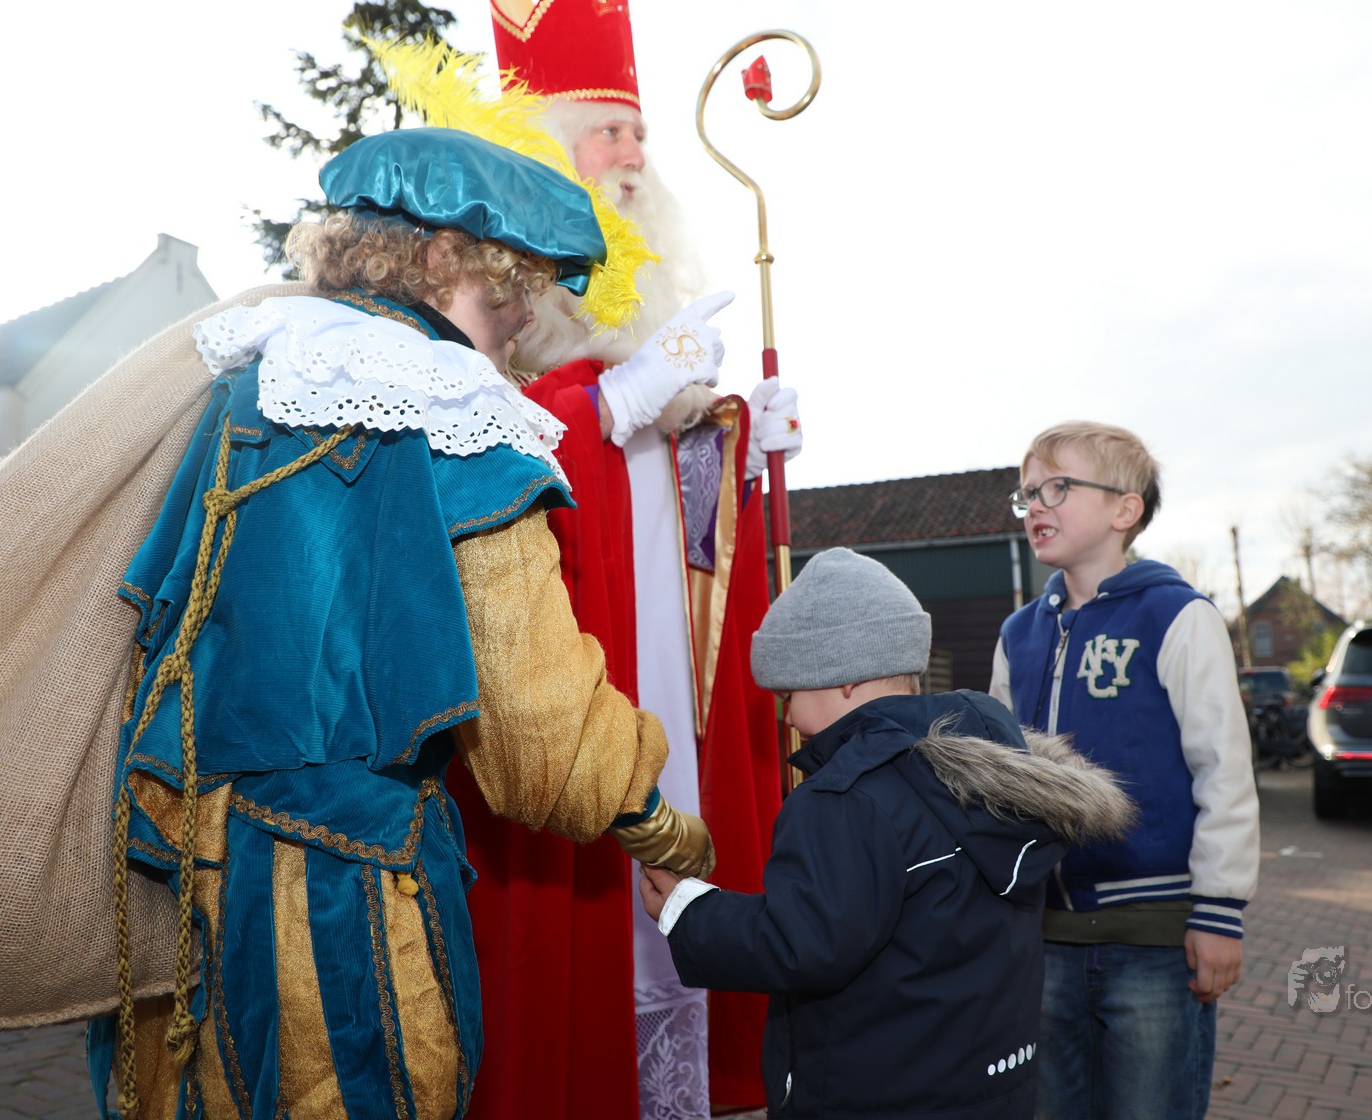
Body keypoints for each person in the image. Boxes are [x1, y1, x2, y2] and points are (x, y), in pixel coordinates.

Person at [85, 125, 715, 1120]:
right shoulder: (450, 405)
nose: (521, 325)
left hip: (193, 863)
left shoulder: (257, 383)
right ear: (447, 258)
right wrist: (663, 825)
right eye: (515, 291)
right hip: (346, 891)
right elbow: (538, 730)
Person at [435, 5, 798, 1117]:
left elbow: (679, 523)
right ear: (551, 156)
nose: (634, 155)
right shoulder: (488, 299)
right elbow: (479, 451)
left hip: (665, 670)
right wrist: (606, 403)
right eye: (608, 133)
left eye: (639, 134)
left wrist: (737, 447)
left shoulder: (648, 304)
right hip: (573, 662)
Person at [638, 548, 1134, 1118]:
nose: (787, 717)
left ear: (843, 679)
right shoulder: (990, 773)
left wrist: (686, 910)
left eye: (789, 694)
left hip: (871, 1094)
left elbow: (800, 943)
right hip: (992, 1089)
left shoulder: (844, 799)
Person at [987, 420, 1261, 1120]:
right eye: (1027, 494)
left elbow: (1223, 769)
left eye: (1058, 487)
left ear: (1124, 509)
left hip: (1155, 939)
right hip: (1045, 939)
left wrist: (1220, 912)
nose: (1036, 505)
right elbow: (1001, 778)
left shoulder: (1177, 616)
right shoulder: (1018, 634)